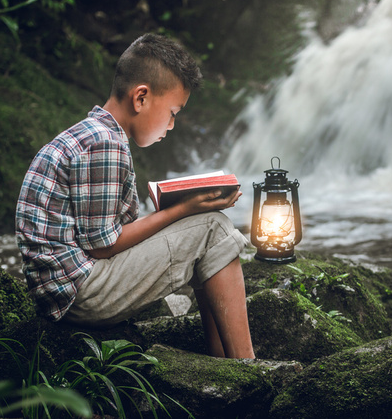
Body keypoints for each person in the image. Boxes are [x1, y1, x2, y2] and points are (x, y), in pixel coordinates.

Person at [15, 33, 255, 359]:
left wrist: (177, 211)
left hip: (64, 289)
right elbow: (102, 246)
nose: (172, 125)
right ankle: (246, 364)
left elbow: (98, 236)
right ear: (140, 98)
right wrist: (180, 210)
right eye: (172, 112)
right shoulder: (105, 144)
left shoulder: (90, 134)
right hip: (81, 291)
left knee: (204, 225)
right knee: (212, 227)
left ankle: (222, 361)